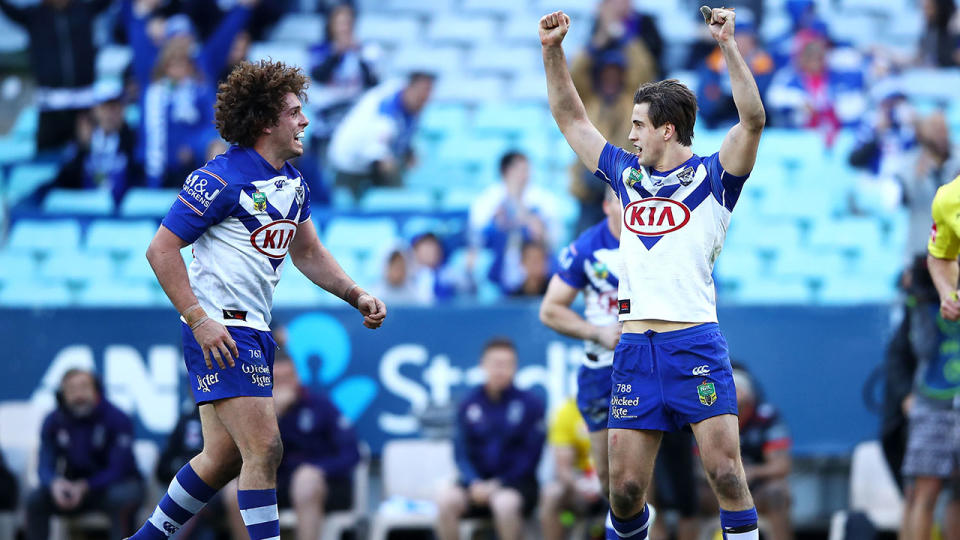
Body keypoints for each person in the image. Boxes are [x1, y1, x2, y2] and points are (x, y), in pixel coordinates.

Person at [129, 59, 386, 540]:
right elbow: (160, 249)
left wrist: (355, 293)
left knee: (222, 456)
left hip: (255, 329)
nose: (305, 120)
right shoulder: (219, 178)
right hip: (221, 329)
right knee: (265, 448)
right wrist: (198, 319)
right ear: (267, 121)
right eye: (294, 112)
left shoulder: (293, 183)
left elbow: (307, 251)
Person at [540, 6, 765, 540]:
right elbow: (572, 119)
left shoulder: (715, 176)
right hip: (636, 349)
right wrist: (552, 52)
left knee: (727, 475)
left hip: (694, 342)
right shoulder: (624, 176)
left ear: (667, 129)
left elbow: (752, 119)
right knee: (623, 492)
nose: (630, 134)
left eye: (639, 125)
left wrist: (729, 45)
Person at [224, 356, 361, 540]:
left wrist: (317, 470)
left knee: (305, 481)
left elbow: (351, 454)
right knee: (235, 489)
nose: (283, 386)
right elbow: (242, 457)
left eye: (288, 378)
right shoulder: (256, 413)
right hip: (276, 483)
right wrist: (274, 414)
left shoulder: (321, 406)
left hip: (321, 485)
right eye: (277, 381)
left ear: (297, 378)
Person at [434, 338, 546, 540]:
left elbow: (530, 458)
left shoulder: (531, 404)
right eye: (495, 364)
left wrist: (498, 484)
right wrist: (474, 482)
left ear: (515, 367)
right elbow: (460, 453)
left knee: (504, 504)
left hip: (517, 485)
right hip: (475, 485)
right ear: (482, 365)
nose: (500, 370)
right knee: (446, 500)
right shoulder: (468, 404)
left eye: (506, 365)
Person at [26, 368, 144, 540]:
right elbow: (44, 463)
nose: (78, 394)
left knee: (122, 498)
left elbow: (118, 469)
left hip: (113, 486)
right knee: (35, 500)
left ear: (96, 389)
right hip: (74, 487)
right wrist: (54, 483)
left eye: (84, 387)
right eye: (71, 390)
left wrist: (86, 486)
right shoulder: (54, 421)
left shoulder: (118, 418)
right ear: (62, 395)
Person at [898, 252, 960, 540]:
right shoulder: (921, 301)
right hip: (932, 403)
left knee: (958, 495)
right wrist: (922, 300)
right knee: (925, 490)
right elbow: (922, 348)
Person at [0, 0, 111, 150]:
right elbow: (10, 11)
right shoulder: (35, 15)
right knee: (47, 162)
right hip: (50, 109)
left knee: (88, 158)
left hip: (84, 108)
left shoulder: (84, 10)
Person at [697, 369, 793, 540]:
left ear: (749, 395)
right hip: (716, 489)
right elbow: (696, 463)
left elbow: (781, 465)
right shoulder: (708, 415)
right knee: (690, 494)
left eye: (736, 389)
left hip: (757, 490)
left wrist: (752, 472)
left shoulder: (766, 418)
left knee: (777, 492)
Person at [327, 72, 435, 199]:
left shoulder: (409, 109)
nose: (424, 100)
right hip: (349, 160)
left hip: (369, 162)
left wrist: (408, 152)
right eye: (421, 94)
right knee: (349, 208)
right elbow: (381, 153)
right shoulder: (387, 104)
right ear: (410, 88)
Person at [469, 151, 556, 294]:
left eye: (526, 170)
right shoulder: (487, 198)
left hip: (530, 259)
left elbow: (549, 239)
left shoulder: (542, 198)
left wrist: (521, 210)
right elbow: (477, 238)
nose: (524, 175)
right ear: (505, 171)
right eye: (518, 170)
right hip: (496, 258)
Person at [54, 82, 142, 205]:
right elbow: (64, 181)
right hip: (87, 209)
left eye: (116, 107)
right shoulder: (80, 141)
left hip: (123, 213)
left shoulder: (135, 139)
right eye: (105, 107)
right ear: (95, 110)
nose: (111, 113)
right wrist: (83, 147)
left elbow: (140, 177)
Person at [154, 401, 224, 540]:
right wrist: (181, 470)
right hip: (180, 486)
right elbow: (162, 469)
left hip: (217, 490)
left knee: (194, 499)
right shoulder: (185, 420)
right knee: (184, 498)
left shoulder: (229, 419)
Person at [540, 398, 605, 540]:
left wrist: (604, 482)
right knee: (551, 494)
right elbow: (563, 468)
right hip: (580, 479)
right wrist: (579, 485)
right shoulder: (569, 411)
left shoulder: (624, 406)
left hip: (614, 477)